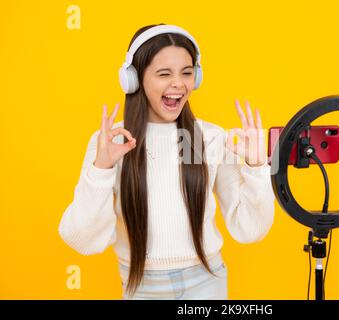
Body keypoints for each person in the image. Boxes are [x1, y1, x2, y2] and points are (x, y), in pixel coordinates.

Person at [58, 23, 275, 300]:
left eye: (187, 73)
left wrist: (257, 169)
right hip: (141, 286)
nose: (178, 84)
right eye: (164, 74)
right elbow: (83, 240)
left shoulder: (210, 138)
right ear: (133, 80)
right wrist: (101, 171)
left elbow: (251, 229)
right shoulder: (109, 144)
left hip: (207, 281)